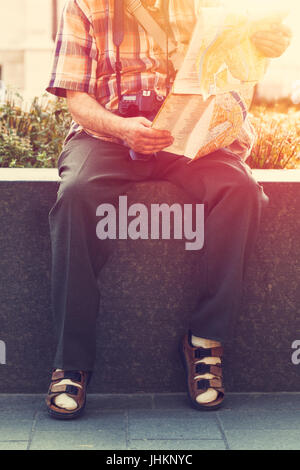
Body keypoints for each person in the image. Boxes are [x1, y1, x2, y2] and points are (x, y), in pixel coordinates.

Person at [45, 0, 292, 419]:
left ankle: (206, 342)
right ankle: (70, 361)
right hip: (106, 133)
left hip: (190, 134)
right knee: (76, 193)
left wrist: (265, 44)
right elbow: (77, 99)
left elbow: (240, 60)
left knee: (241, 190)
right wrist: (122, 129)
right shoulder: (84, 5)